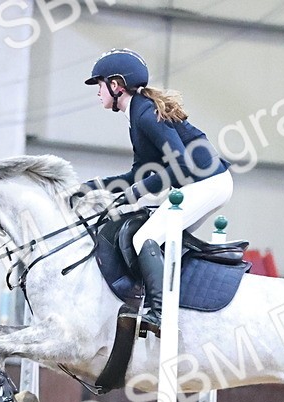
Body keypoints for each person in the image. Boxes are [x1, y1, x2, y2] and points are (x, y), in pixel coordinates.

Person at [70, 49, 231, 336]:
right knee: (159, 240)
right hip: (204, 185)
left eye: (100, 84)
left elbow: (181, 164)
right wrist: (89, 189)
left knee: (145, 238)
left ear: (116, 85)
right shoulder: (137, 115)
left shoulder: (145, 114)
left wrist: (136, 192)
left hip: (208, 184)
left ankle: (161, 315)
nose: (97, 92)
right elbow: (137, 175)